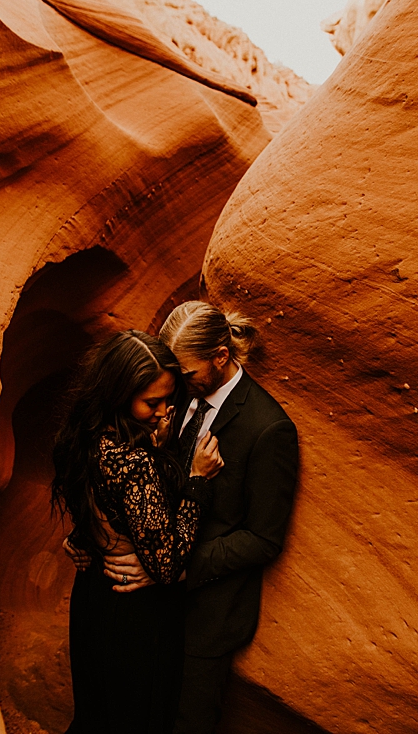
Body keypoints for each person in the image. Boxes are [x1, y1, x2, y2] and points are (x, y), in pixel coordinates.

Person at [68, 303, 300, 734]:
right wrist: (92, 530)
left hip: (203, 617)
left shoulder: (268, 429)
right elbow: (134, 482)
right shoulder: (168, 396)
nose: (176, 390)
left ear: (220, 356)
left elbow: (262, 538)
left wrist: (170, 570)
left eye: (187, 376)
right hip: (146, 610)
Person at [52, 330, 225, 734]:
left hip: (93, 596)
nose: (165, 411)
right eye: (152, 402)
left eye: (169, 399)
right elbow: (165, 565)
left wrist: (83, 539)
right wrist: (197, 480)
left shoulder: (85, 435)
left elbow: (97, 503)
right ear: (117, 393)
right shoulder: (134, 463)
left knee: (96, 713)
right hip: (134, 615)